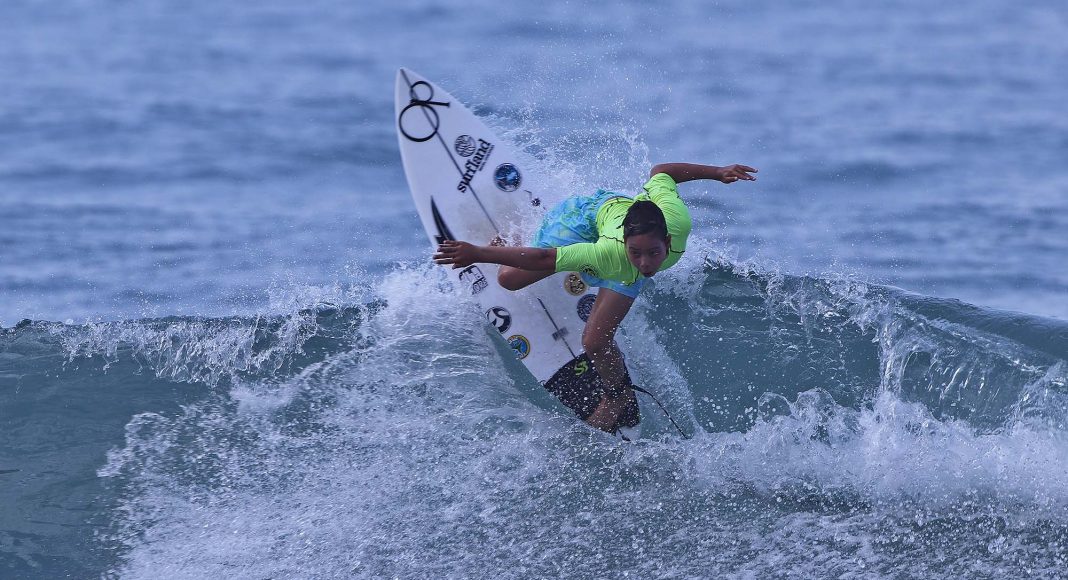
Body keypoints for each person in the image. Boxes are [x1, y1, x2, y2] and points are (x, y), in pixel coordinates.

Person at [433, 162, 757, 433]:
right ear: (626, 245)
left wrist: (717, 173)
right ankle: (512, 240)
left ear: (668, 240)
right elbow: (544, 259)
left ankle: (617, 396)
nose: (645, 263)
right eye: (637, 253)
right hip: (586, 218)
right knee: (509, 278)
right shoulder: (610, 253)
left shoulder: (676, 220)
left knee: (596, 342)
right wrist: (478, 252)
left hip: (629, 223)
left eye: (653, 254)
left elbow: (662, 171)